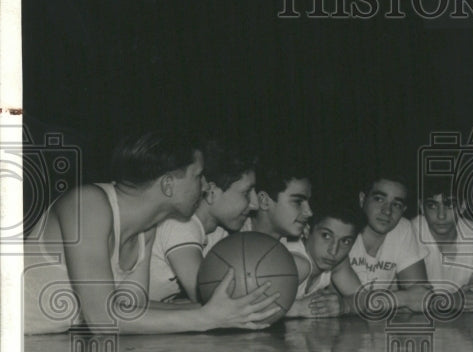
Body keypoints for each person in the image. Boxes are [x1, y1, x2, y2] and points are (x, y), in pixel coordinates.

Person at [22, 131, 279, 335]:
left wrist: (228, 308)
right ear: (168, 184)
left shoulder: (145, 231)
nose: (205, 186)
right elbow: (102, 319)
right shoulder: (87, 205)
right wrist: (207, 317)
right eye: (198, 176)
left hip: (37, 345)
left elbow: (131, 309)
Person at [147, 140, 258, 302]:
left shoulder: (221, 232)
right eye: (246, 193)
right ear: (212, 192)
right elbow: (210, 302)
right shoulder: (179, 223)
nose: (254, 204)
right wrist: (290, 308)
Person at [349, 174, 431, 311]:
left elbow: (421, 297)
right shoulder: (344, 228)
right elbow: (343, 302)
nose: (387, 211)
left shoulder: (402, 228)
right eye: (379, 199)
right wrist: (403, 298)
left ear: (403, 210)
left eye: (396, 204)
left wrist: (406, 299)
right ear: (362, 199)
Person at [411, 174, 473, 312]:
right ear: (421, 206)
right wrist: (454, 300)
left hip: (466, 325)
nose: (441, 215)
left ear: (462, 206)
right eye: (432, 205)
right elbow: (411, 299)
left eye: (449, 204)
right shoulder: (410, 232)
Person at [243, 158, 314, 283]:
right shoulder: (227, 233)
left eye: (308, 202)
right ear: (264, 201)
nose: (309, 212)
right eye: (298, 202)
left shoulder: (293, 246)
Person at [286, 205, 364, 318]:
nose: (333, 251)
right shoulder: (296, 262)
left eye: (345, 241)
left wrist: (345, 306)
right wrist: (298, 308)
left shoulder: (338, 262)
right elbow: (254, 306)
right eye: (326, 236)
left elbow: (364, 299)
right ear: (307, 230)